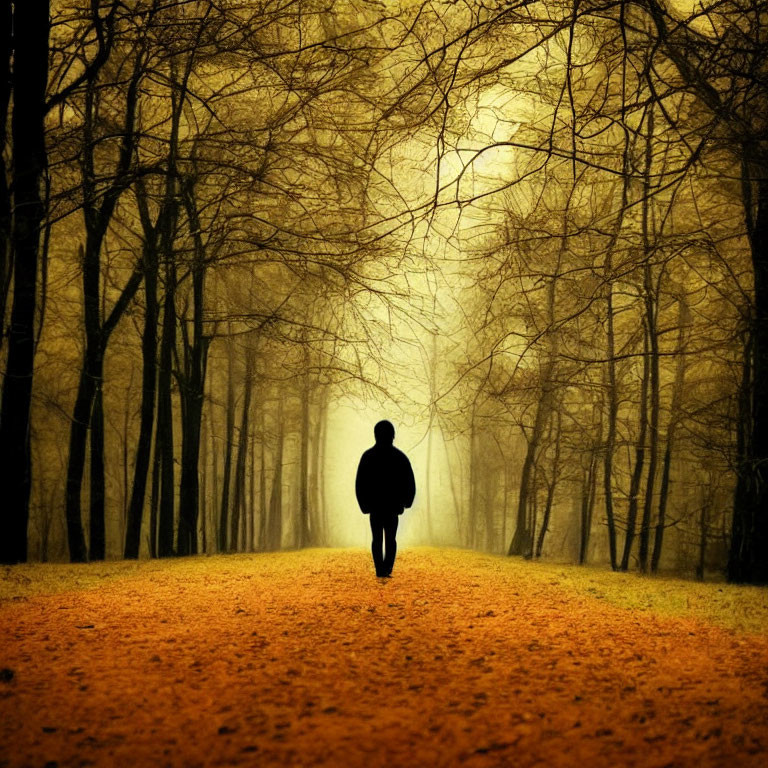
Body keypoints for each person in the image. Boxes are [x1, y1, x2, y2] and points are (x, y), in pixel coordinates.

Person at [355, 420, 416, 578]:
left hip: (375, 506)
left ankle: (381, 570)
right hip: (392, 506)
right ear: (393, 435)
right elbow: (409, 482)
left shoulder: (368, 456)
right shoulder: (399, 457)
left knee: (377, 539)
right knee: (390, 538)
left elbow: (360, 483)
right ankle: (386, 568)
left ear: (375, 435)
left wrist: (364, 504)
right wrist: (406, 502)